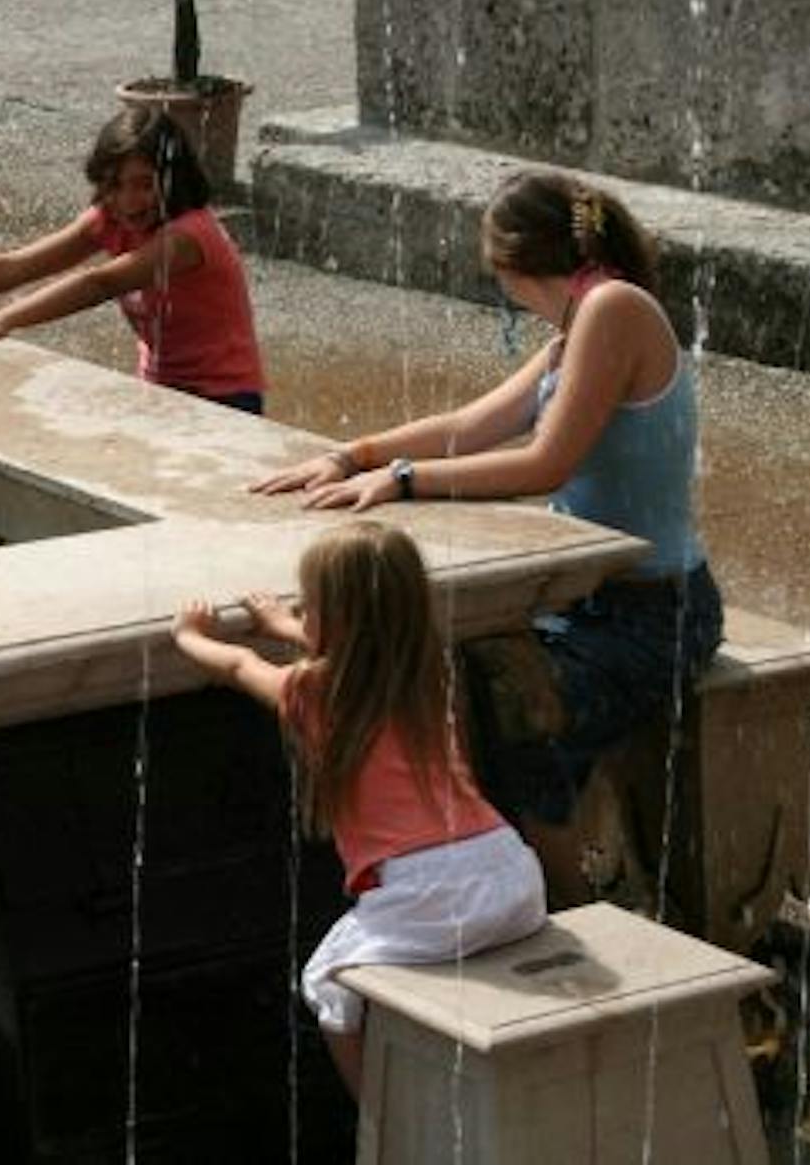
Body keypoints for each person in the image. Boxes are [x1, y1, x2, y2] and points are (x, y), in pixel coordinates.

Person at [251, 172, 723, 904]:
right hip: (583, 600)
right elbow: (471, 425)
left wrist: (406, 480)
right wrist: (355, 455)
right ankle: (467, 876)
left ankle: (567, 909)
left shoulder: (616, 309)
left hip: (656, 613)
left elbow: (545, 460)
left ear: (512, 259)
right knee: (440, 674)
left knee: (509, 704)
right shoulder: (577, 323)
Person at [172, 521, 547, 1096]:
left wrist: (189, 635)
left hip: (426, 897)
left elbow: (239, 667)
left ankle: (381, 1121)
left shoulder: (308, 691)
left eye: (311, 605)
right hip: (514, 877)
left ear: (337, 622)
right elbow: (366, 656)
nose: (301, 610)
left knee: (326, 985)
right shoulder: (430, 672)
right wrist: (292, 627)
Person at [0, 104, 267, 412]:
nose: (129, 199)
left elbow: (98, 284)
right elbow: (17, 264)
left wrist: (0, 321)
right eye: (115, 185)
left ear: (174, 180)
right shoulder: (110, 218)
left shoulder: (188, 236)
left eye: (144, 184)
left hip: (225, 396)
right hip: (159, 386)